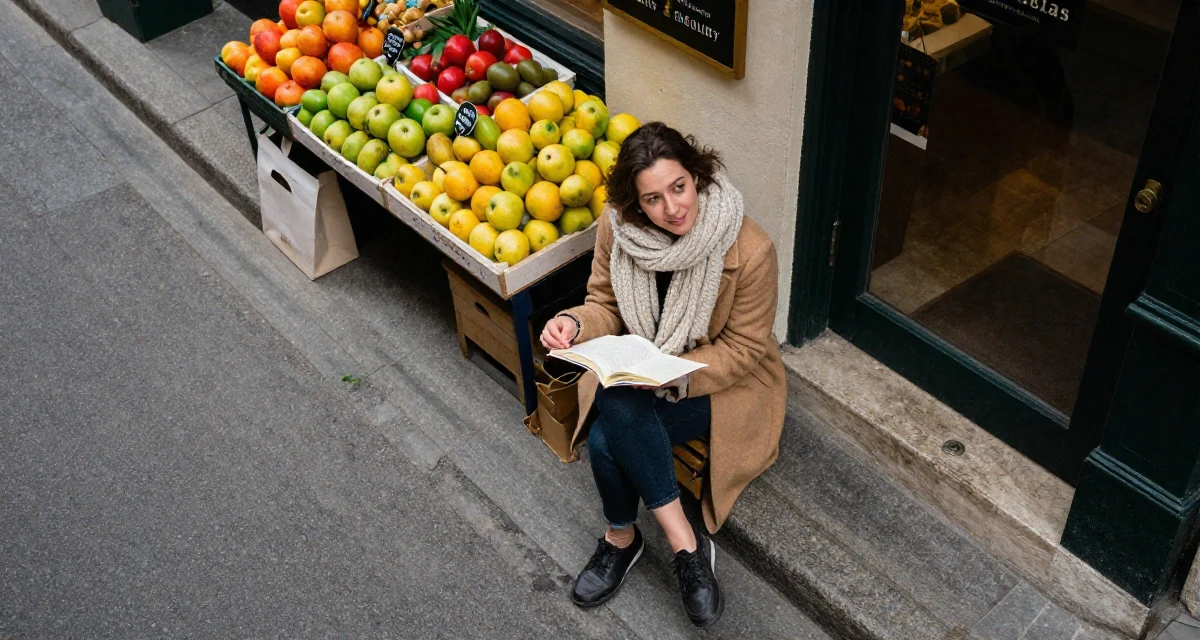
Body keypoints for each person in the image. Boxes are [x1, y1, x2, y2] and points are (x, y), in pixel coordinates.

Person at [540, 122, 786, 628]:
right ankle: (686, 547)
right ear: (635, 204)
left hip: (718, 383)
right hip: (641, 371)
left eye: (679, 187)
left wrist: (671, 377)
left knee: (613, 423)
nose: (673, 208)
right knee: (620, 404)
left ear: (697, 175)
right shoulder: (618, 228)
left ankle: (622, 540)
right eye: (653, 199)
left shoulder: (750, 250)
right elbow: (604, 304)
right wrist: (573, 323)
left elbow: (743, 350)